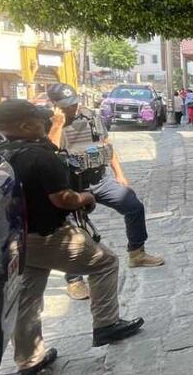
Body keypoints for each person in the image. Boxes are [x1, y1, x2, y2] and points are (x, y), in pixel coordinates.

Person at [0, 100, 145, 375]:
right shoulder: (40, 156)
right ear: (26, 125)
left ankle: (29, 359)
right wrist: (86, 198)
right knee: (106, 262)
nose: (46, 123)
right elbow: (62, 199)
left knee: (28, 295)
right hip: (49, 233)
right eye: (40, 120)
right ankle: (106, 323)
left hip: (17, 238)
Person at [46, 83, 165, 301]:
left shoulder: (90, 117)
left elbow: (106, 145)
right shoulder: (48, 123)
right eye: (65, 106)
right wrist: (57, 124)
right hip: (70, 185)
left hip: (99, 179)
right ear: (54, 105)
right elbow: (47, 153)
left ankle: (137, 253)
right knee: (75, 232)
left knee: (133, 207)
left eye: (73, 103)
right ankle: (74, 280)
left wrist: (119, 174)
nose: (71, 108)